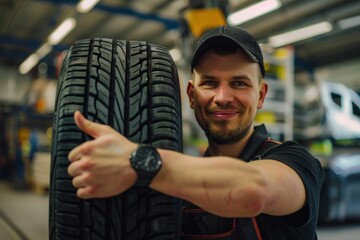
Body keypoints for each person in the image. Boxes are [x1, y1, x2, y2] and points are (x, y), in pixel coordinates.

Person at [67, 26, 324, 239]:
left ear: (261, 95)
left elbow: (253, 192)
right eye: (210, 83)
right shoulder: (179, 177)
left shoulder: (295, 161)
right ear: (191, 95)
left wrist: (139, 161)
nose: (222, 97)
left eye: (239, 83)